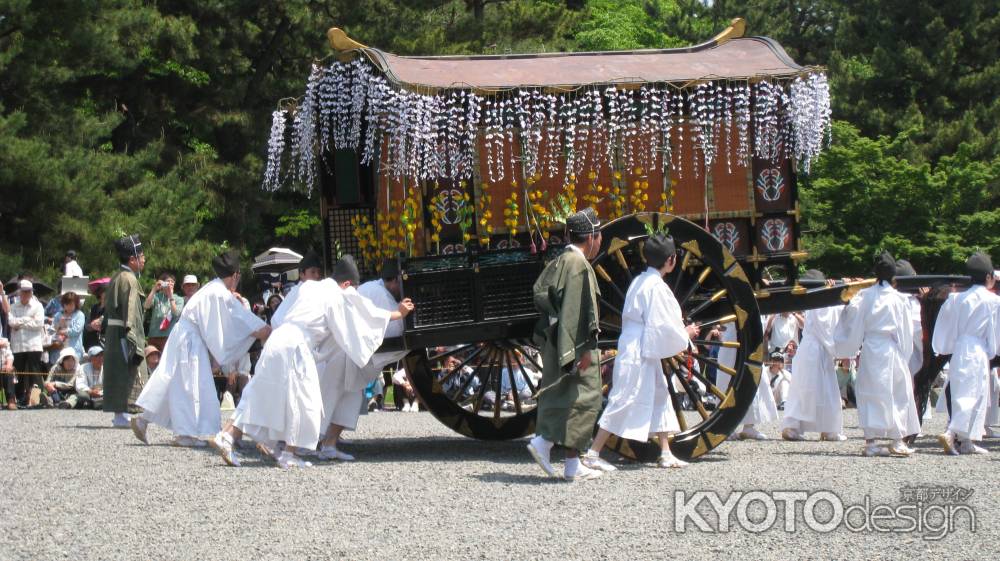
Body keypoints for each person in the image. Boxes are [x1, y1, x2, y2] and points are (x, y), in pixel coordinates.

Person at [213, 275, 397, 469]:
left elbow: (278, 317)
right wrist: (395, 314)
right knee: (305, 401)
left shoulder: (307, 287)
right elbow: (361, 318)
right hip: (297, 346)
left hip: (278, 340)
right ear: (346, 284)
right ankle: (288, 454)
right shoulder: (335, 296)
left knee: (263, 393)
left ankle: (228, 436)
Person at [130, 249, 270, 447]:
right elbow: (239, 318)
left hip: (183, 335)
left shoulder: (212, 288)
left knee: (174, 380)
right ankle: (185, 434)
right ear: (235, 275)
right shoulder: (219, 293)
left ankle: (144, 419)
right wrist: (263, 329)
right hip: (190, 339)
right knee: (190, 385)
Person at [586, 233, 697, 470]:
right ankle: (593, 453)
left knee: (660, 394)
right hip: (640, 349)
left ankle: (665, 452)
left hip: (638, 345)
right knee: (623, 398)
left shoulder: (640, 281)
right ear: (671, 260)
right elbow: (662, 324)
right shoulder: (656, 287)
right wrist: (685, 334)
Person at [527, 207, 604, 482]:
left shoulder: (562, 260)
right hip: (574, 342)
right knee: (584, 398)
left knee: (571, 398)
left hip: (559, 338)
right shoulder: (578, 265)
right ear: (592, 237)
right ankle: (543, 442)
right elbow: (577, 310)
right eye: (600, 236)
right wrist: (580, 349)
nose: (600, 241)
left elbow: (543, 295)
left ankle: (572, 464)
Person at [317, 256, 413, 462]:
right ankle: (313, 443)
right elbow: (374, 316)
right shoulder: (372, 292)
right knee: (334, 399)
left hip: (345, 355)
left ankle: (327, 443)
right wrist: (399, 314)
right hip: (345, 355)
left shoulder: (368, 288)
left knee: (344, 399)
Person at [834, 251, 920, 457]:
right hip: (891, 348)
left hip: (870, 347)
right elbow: (905, 332)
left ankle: (871, 442)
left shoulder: (864, 296)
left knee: (869, 392)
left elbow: (852, 321)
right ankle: (897, 440)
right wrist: (905, 354)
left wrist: (850, 347)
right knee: (897, 392)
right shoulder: (899, 299)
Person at [931, 252, 999, 455]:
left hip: (959, 348)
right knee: (973, 394)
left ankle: (967, 440)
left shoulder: (956, 298)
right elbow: (994, 330)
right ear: (988, 277)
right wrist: (992, 349)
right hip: (977, 348)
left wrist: (947, 346)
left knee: (963, 391)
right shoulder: (993, 300)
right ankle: (951, 433)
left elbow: (946, 326)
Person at [781, 269, 846, 441]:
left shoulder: (814, 300)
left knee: (805, 389)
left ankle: (795, 426)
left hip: (809, 348)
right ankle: (827, 429)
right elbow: (827, 323)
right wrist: (835, 294)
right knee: (822, 390)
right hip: (817, 349)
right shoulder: (820, 301)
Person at [102, 234, 147, 428]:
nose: (144, 259)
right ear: (132, 259)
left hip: (114, 331)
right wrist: (133, 337)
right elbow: (131, 312)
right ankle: (124, 413)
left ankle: (120, 413)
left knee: (117, 371)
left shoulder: (118, 276)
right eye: (141, 256)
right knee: (126, 370)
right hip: (123, 330)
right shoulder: (129, 279)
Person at [718, 316, 779, 440]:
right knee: (729, 380)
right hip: (735, 337)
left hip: (754, 339)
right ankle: (727, 424)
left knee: (755, 381)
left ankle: (749, 426)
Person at [9, 280, 45, 409]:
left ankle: (37, 399)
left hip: (33, 344)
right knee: (19, 373)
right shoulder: (13, 306)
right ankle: (20, 398)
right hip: (18, 345)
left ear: (32, 292)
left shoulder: (38, 306)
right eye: (24, 291)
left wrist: (20, 323)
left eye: (28, 291)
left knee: (35, 373)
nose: (26, 294)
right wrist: (29, 319)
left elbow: (38, 324)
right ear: (19, 292)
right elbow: (11, 322)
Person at [268, 250, 323, 328]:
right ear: (302, 274)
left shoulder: (317, 291)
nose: (317, 276)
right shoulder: (297, 293)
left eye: (319, 272)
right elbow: (276, 321)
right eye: (313, 272)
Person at [144, 273, 184, 352]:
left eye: (172, 282)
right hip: (153, 336)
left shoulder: (179, 299)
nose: (170, 283)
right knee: (152, 359)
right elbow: (146, 306)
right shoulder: (156, 296)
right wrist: (154, 289)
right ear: (162, 283)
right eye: (168, 281)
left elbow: (176, 313)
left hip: (169, 336)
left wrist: (170, 296)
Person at [52, 292, 86, 365]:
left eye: (71, 304)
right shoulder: (58, 315)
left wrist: (60, 331)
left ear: (76, 304)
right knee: (58, 369)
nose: (69, 307)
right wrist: (59, 324)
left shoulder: (79, 315)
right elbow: (52, 330)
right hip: (59, 350)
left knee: (74, 370)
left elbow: (76, 331)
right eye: (66, 304)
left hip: (74, 349)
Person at [83, 279, 109, 350]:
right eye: (105, 291)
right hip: (92, 344)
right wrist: (92, 325)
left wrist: (103, 323)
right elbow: (87, 326)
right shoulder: (94, 307)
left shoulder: (112, 309)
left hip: (106, 344)